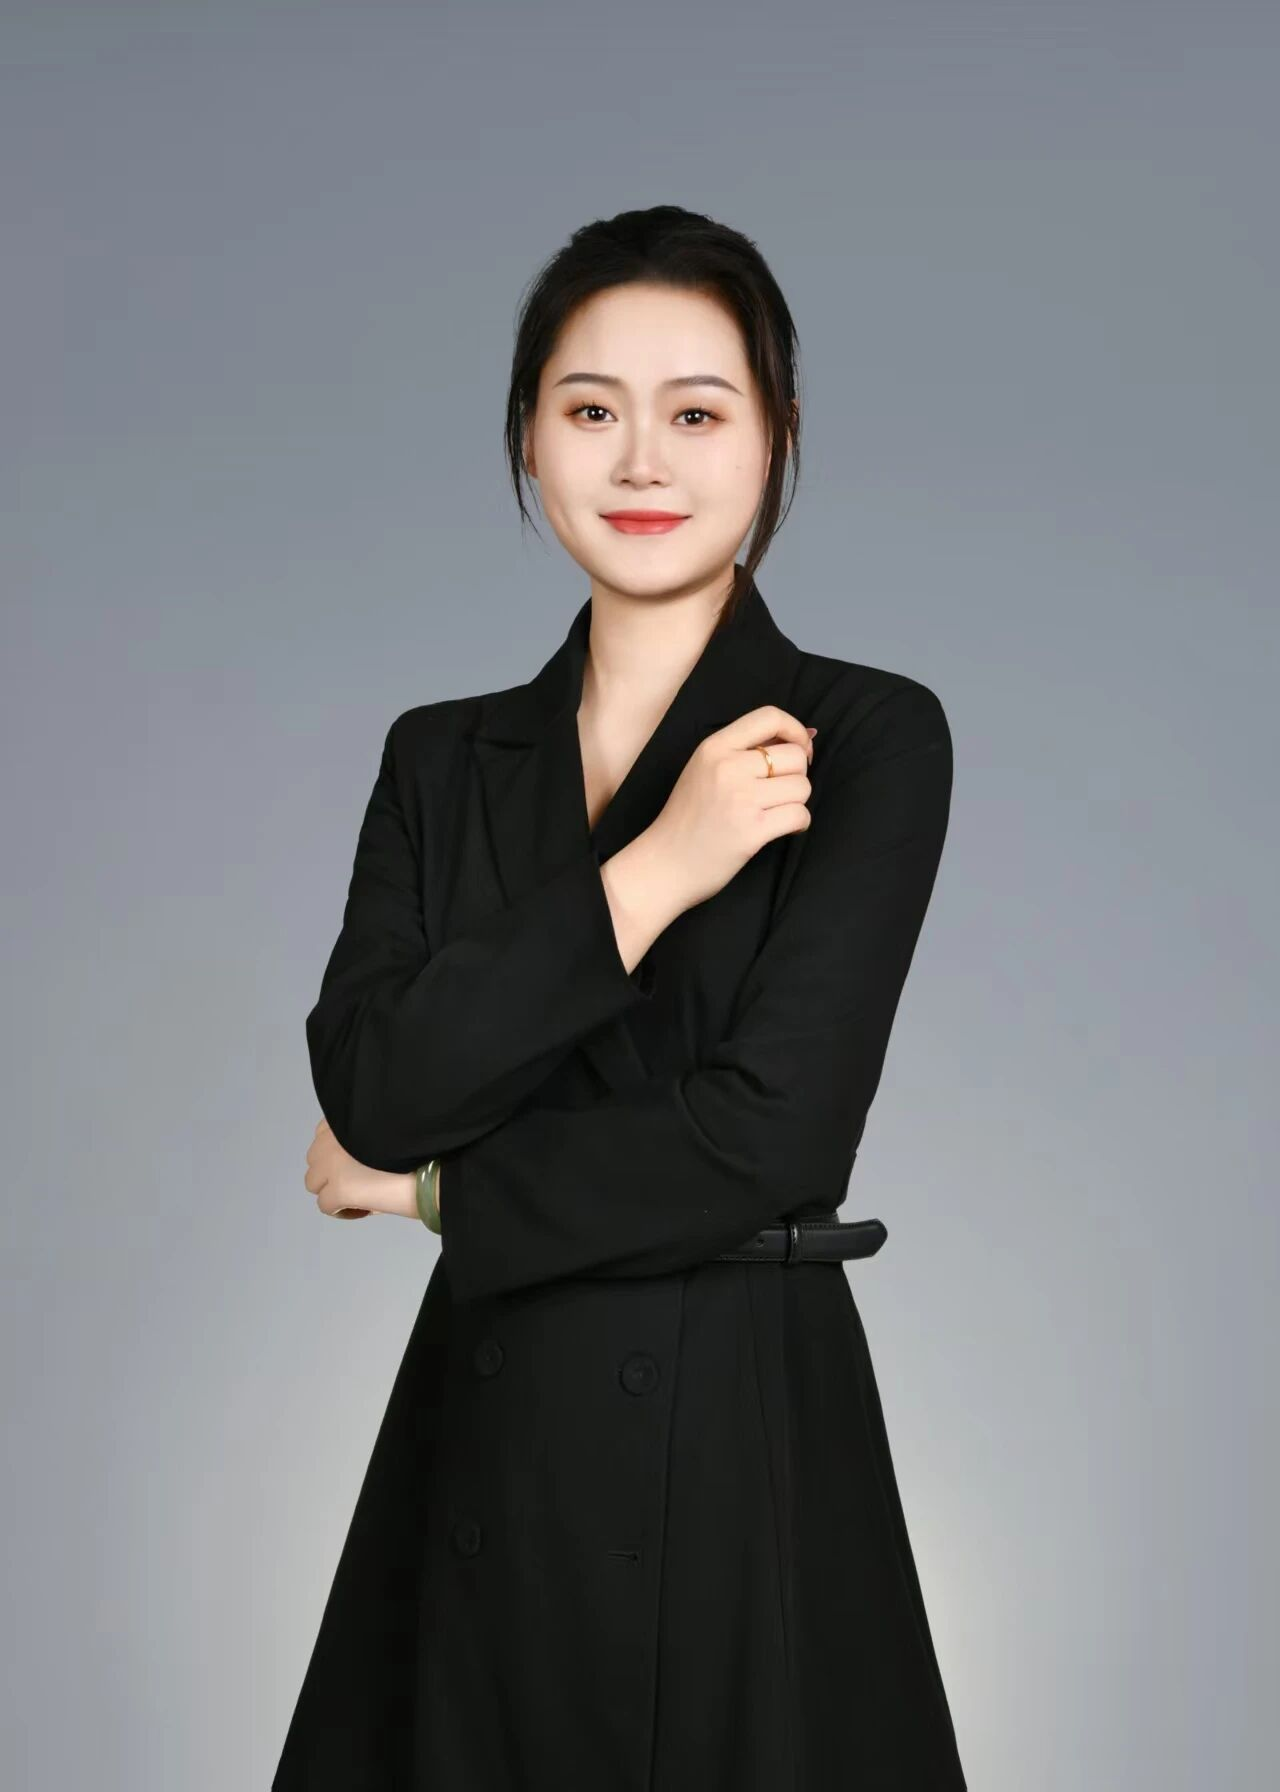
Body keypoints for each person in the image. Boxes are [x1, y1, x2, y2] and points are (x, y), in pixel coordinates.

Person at [274, 204, 968, 1791]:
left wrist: (441, 1191)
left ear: (776, 437)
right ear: (528, 436)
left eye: (698, 414)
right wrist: (659, 868)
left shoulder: (867, 738)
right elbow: (375, 1084)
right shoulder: (441, 758)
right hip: (486, 1439)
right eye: (591, 410)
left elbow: (773, 1137)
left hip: (739, 1434)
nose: (642, 461)